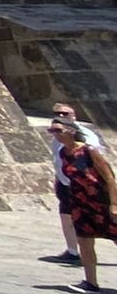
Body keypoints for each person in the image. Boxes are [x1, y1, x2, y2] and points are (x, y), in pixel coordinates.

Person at [53, 117, 115, 293]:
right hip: (80, 204)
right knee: (85, 241)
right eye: (52, 131)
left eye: (58, 130)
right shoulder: (63, 153)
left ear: (71, 131)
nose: (55, 134)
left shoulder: (88, 151)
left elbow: (110, 177)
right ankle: (91, 282)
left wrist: (114, 204)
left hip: (101, 202)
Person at [46, 103, 106, 265]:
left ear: (74, 116)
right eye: (58, 113)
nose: (61, 115)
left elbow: (100, 165)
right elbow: (58, 161)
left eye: (65, 113)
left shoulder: (86, 137)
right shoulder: (57, 137)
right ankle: (73, 252)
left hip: (84, 186)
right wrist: (58, 179)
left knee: (103, 223)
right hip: (66, 184)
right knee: (67, 217)